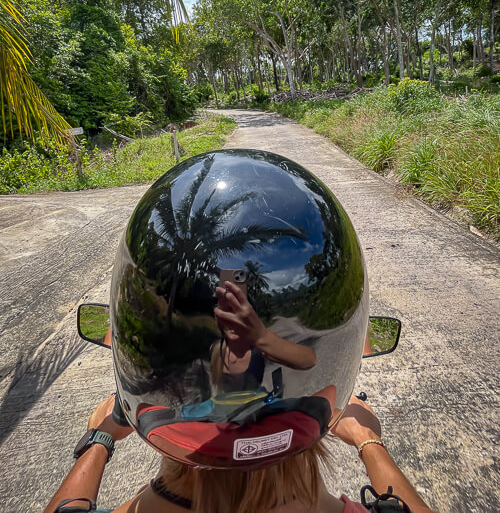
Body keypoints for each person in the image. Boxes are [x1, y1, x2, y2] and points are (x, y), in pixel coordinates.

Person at [45, 150, 436, 513]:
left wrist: (99, 440)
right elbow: (307, 360)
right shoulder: (302, 415)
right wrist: (370, 444)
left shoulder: (178, 423)